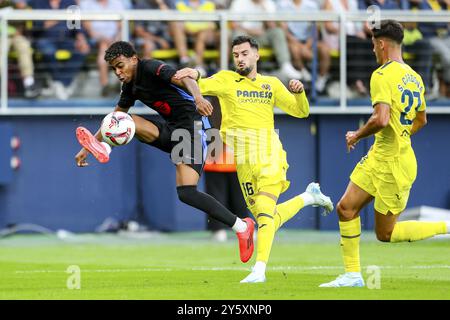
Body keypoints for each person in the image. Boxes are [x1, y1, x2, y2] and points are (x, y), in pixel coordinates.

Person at [74, 41, 255, 264]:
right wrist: (89, 145)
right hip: (173, 129)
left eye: (120, 66)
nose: (118, 72)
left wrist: (198, 97)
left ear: (134, 58)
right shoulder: (130, 87)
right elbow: (115, 116)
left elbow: (186, 78)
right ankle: (104, 147)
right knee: (122, 120)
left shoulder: (151, 67)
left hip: (193, 127)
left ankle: (241, 226)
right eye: (114, 69)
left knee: (186, 192)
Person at [175, 35, 334, 283]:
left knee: (263, 212)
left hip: (269, 154)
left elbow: (301, 112)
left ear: (257, 55)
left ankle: (259, 270)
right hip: (244, 162)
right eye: (236, 55)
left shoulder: (271, 84)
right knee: (265, 216)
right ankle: (308, 197)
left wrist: (300, 93)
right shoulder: (226, 80)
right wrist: (194, 73)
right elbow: (194, 83)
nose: (240, 58)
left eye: (245, 53)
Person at [319, 20, 450, 288]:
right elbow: (421, 120)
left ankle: (446, 227)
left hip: (395, 165)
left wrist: (356, 135)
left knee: (386, 234)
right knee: (345, 209)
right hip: (380, 155)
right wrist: (400, 135)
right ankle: (353, 275)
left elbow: (380, 119)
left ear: (381, 44)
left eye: (373, 46)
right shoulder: (415, 77)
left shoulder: (381, 75)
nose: (373, 51)